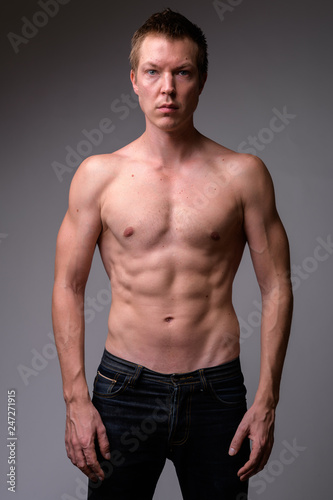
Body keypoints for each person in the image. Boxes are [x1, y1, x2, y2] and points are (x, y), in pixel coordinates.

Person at [52, 8, 293, 500]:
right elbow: (67, 286)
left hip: (216, 391)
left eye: (182, 72)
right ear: (134, 81)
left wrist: (267, 398)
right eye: (154, 72)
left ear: (201, 80)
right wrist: (76, 397)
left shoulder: (244, 174)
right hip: (123, 391)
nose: (168, 88)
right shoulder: (99, 175)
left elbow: (277, 286)